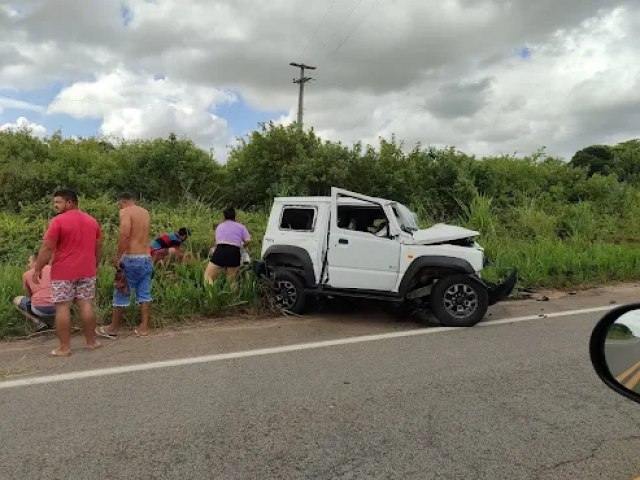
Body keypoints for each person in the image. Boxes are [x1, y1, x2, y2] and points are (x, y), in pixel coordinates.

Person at [32, 189, 102, 357]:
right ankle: (91, 342)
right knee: (86, 304)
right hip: (87, 270)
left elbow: (47, 247)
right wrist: (95, 265)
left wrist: (37, 268)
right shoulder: (92, 221)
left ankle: (64, 348)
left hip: (64, 272)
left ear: (69, 202)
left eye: (58, 202)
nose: (55, 205)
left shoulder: (58, 221)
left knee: (63, 306)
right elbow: (98, 247)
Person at [97, 192, 153, 339]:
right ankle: (144, 327)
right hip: (146, 257)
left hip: (131, 257)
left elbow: (125, 235)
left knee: (121, 289)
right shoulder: (144, 212)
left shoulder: (125, 212)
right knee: (144, 292)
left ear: (120, 202)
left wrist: (118, 257)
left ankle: (114, 328)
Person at [204, 207, 251, 288]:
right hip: (235, 252)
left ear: (224, 216)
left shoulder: (219, 226)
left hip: (221, 250)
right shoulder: (241, 226)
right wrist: (242, 246)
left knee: (208, 276)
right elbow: (248, 240)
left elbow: (215, 242)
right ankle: (232, 299)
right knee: (232, 280)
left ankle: (212, 296)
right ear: (234, 216)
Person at [13, 252, 56, 332]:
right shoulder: (52, 269)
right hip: (58, 307)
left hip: (39, 309)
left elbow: (28, 295)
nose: (28, 265)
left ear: (36, 261)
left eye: (29, 262)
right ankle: (58, 321)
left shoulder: (26, 274)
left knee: (16, 300)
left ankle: (37, 322)